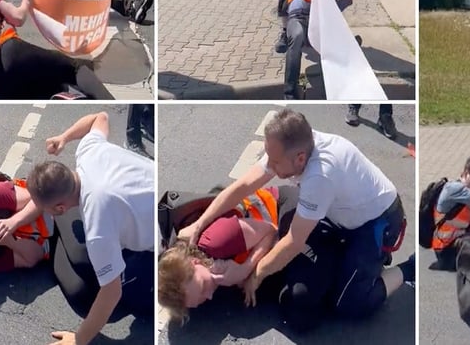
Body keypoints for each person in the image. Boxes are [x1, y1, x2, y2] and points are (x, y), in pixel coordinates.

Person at [183, 109, 415, 333]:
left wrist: (256, 274)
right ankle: (364, 263)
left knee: (350, 304)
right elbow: (243, 186)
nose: (269, 166)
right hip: (341, 214)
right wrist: (202, 222)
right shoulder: (292, 145)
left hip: (377, 223)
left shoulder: (320, 175)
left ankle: (408, 269)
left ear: (300, 158)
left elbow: (295, 240)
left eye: (274, 162)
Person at [21, 111, 154, 345]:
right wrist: (64, 137)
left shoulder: (98, 227)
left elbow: (112, 293)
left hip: (164, 239)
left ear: (60, 209)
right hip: (156, 193)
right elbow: (100, 117)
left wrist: (79, 340)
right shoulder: (88, 152)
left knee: (124, 293)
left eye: (46, 210)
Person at [158, 187, 280, 321]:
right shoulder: (195, 279)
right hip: (257, 239)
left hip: (277, 210)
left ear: (195, 262)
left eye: (203, 286)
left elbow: (271, 231)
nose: (210, 296)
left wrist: (247, 269)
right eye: (201, 300)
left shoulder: (218, 240)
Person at [281, 0, 361, 100]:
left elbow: (331, 12)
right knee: (296, 36)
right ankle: (289, 93)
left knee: (338, 42)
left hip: (318, 23)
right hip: (297, 19)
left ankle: (347, 54)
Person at [429, 156, 470, 271]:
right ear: (466, 173)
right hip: (446, 250)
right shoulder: (455, 189)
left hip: (452, 243)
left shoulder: (467, 190)